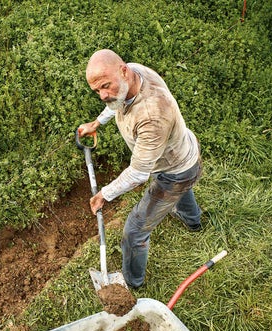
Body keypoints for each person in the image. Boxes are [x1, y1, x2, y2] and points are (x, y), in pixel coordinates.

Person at [77, 49, 203, 289]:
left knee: (134, 232)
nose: (103, 95)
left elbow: (138, 174)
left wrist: (105, 194)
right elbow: (115, 101)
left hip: (175, 170)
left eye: (105, 86)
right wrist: (97, 123)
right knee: (181, 186)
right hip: (180, 153)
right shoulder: (132, 75)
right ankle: (193, 221)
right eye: (97, 91)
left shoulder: (152, 115)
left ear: (123, 71)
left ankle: (132, 282)